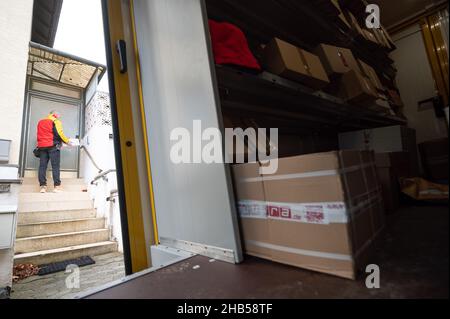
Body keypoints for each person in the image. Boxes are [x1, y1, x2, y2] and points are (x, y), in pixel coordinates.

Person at [36, 110, 71, 193]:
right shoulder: (56, 121)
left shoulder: (40, 122)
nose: (59, 116)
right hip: (53, 146)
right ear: (54, 114)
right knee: (55, 166)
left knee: (42, 166)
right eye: (58, 115)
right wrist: (67, 141)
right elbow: (59, 133)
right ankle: (56, 187)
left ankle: (43, 187)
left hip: (42, 147)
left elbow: (39, 134)